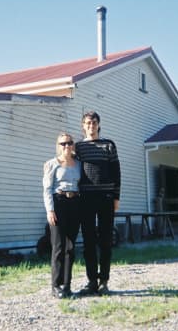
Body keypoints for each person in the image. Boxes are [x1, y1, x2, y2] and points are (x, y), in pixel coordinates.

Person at [75, 111, 121, 296]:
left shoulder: (109, 146)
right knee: (88, 241)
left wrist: (116, 198)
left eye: (94, 122)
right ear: (83, 126)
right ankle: (91, 281)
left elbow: (117, 173)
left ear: (98, 125)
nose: (91, 125)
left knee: (105, 241)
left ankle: (104, 281)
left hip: (106, 199)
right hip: (85, 199)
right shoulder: (78, 148)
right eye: (87, 123)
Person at [42, 132, 81, 299]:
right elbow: (47, 189)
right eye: (63, 143)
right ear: (58, 146)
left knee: (70, 247)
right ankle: (55, 286)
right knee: (58, 247)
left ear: (73, 144)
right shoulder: (51, 164)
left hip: (75, 204)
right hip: (59, 203)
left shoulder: (78, 164)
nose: (66, 146)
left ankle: (67, 285)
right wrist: (50, 210)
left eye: (69, 143)